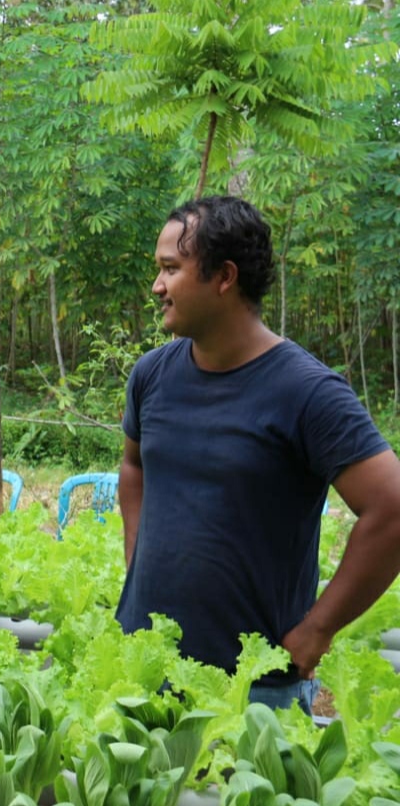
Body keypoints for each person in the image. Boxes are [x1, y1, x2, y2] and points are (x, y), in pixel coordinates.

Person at [118, 195, 400, 713]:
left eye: (170, 270)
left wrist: (319, 628)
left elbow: (393, 509)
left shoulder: (307, 392)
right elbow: (134, 466)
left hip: (253, 696)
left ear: (224, 277)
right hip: (146, 668)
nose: (157, 286)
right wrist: (137, 561)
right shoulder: (152, 375)